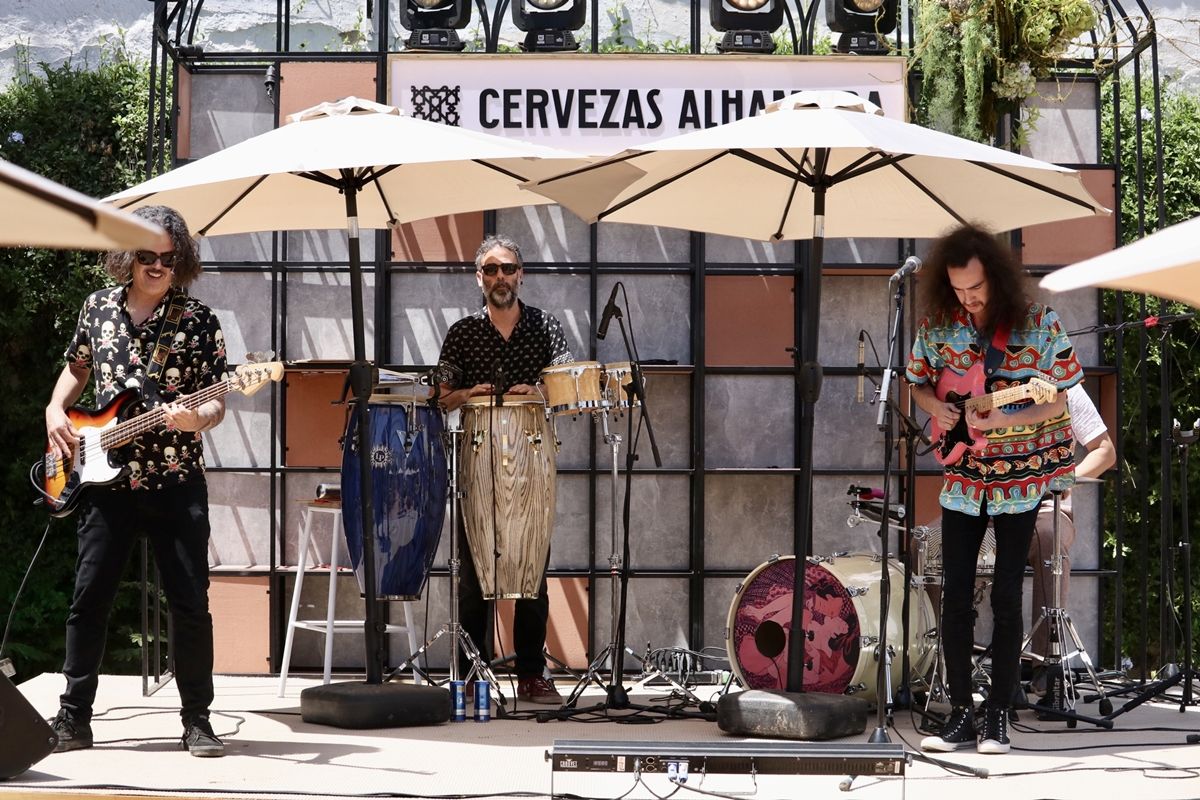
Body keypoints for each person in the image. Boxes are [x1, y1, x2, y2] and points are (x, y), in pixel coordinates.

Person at [44, 205, 228, 757]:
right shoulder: (97, 308)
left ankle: (198, 721)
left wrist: (200, 417)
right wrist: (55, 408)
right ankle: (73, 719)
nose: (156, 267)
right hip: (104, 483)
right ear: (128, 256)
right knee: (89, 600)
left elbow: (218, 398)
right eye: (146, 256)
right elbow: (77, 369)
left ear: (181, 262)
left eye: (167, 260)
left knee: (190, 603)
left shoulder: (198, 321)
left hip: (176, 481)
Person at [907, 223, 1082, 755]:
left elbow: (1059, 400)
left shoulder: (1039, 325)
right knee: (955, 595)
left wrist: (1004, 422)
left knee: (1007, 596)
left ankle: (998, 718)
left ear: (998, 278)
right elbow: (917, 380)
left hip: (1019, 478)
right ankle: (960, 713)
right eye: (959, 290)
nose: (969, 298)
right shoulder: (939, 324)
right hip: (961, 476)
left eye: (976, 288)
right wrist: (938, 407)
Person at [435, 233, 572, 705]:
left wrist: (538, 393)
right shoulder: (463, 332)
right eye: (490, 270)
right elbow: (440, 395)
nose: (499, 277)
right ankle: (473, 674)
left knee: (532, 565)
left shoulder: (546, 327)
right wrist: (471, 392)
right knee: (474, 571)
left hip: (532, 458)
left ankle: (532, 673)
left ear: (521, 274)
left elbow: (568, 386)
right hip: (477, 457)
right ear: (479, 278)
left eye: (507, 269)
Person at [1028, 384, 1115, 686]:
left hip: (1046, 508)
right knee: (929, 540)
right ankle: (934, 665)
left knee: (1049, 538)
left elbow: (1105, 451)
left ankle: (1045, 663)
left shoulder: (1067, 385)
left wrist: (1068, 478)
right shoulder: (982, 377)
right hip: (986, 508)